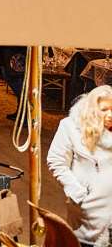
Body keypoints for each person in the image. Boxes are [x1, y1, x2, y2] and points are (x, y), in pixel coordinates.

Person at [47, 86, 112, 247]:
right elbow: (56, 161)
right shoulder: (71, 127)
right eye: (104, 109)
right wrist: (78, 193)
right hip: (87, 211)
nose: (110, 115)